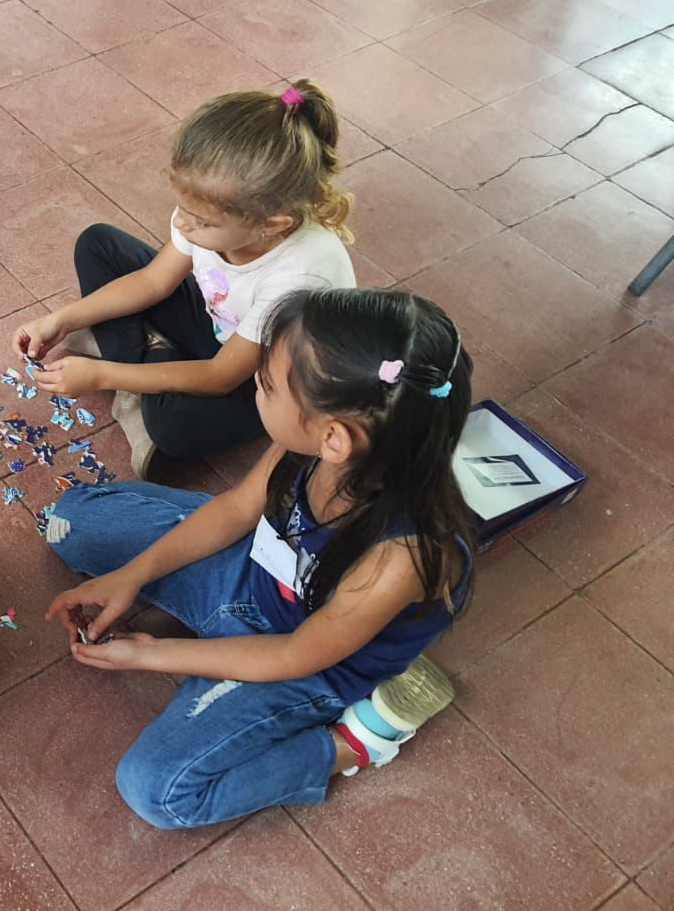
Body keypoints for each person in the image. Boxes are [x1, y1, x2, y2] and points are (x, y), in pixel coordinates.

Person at [44, 287, 475, 829]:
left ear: (334, 437)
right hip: (248, 579)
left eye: (267, 385)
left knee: (157, 791)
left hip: (305, 661)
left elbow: (293, 655)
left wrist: (151, 655)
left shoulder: (404, 555)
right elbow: (235, 509)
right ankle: (186, 607)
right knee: (71, 522)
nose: (255, 385)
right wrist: (132, 577)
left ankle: (357, 743)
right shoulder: (311, 443)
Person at [15, 80, 356, 476]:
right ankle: (143, 365)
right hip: (220, 327)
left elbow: (220, 376)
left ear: (271, 225)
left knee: (173, 427)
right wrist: (63, 319)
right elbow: (152, 282)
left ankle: (133, 377)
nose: (183, 223)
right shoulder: (208, 215)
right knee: (98, 245)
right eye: (181, 207)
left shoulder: (301, 275)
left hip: (264, 378)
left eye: (203, 222)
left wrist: (101, 375)